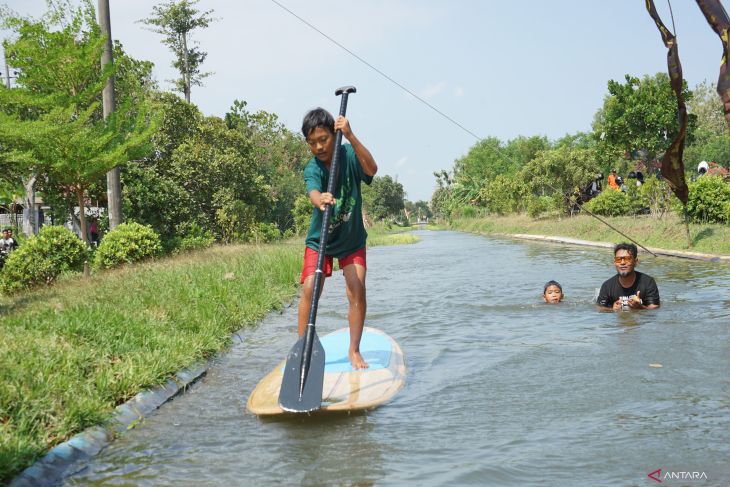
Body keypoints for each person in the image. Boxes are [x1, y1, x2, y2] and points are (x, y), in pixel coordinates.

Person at [298, 107, 378, 369]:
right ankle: (304, 351)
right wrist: (319, 198)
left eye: (324, 139)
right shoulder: (312, 168)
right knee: (310, 288)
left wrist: (351, 136)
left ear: (334, 134)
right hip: (321, 240)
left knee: (357, 289)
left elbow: (372, 168)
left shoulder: (348, 155)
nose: (319, 147)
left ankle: (354, 351)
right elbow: (312, 191)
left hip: (351, 239)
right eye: (312, 143)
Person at [597, 242, 660, 311]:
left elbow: (654, 308)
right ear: (614, 263)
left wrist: (640, 308)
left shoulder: (648, 282)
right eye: (618, 259)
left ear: (635, 262)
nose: (622, 263)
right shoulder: (607, 286)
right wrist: (612, 309)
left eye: (627, 259)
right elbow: (600, 308)